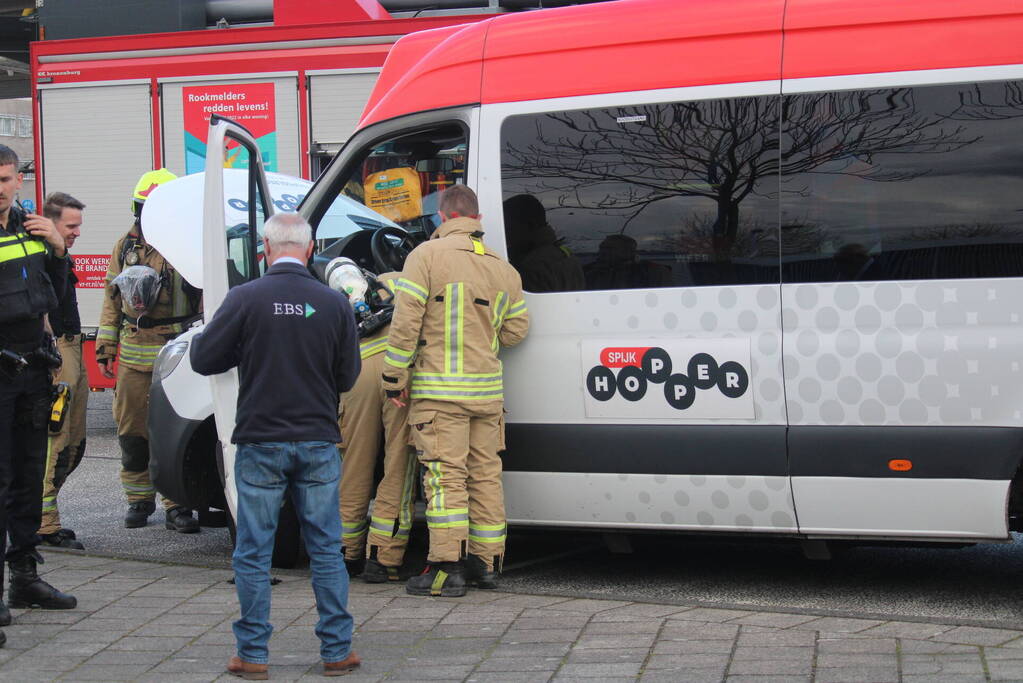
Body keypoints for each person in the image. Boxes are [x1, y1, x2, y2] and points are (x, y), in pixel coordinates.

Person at [190, 213, 362, 679]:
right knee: (326, 548)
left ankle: (252, 654)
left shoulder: (245, 299)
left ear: (265, 249)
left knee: (253, 550)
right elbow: (348, 377)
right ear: (309, 250)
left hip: (261, 441)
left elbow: (206, 358)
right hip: (318, 440)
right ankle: (337, 651)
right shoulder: (334, 303)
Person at [383, 184, 530, 597]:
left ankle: (447, 568)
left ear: (443, 218)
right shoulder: (505, 269)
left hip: (439, 395)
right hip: (487, 397)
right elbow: (517, 331)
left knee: (444, 479)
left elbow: (406, 322)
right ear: (477, 220)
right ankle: (486, 564)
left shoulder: (425, 257)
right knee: (485, 478)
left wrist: (395, 378)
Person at [0, 145, 78, 648]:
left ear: (19, 180)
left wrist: (58, 250)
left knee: (29, 478)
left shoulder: (31, 228)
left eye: (6, 178)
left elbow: (62, 308)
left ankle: (24, 577)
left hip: (32, 370)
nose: (0, 188)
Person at [96, 169, 201, 533]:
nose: (147, 214)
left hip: (177, 350)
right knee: (132, 432)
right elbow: (111, 299)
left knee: (174, 431)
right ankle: (139, 501)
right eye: (143, 207)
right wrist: (106, 346)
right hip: (133, 352)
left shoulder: (190, 242)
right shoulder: (125, 246)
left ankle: (178, 506)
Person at [334, 270, 417, 584]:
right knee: (399, 465)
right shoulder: (419, 280)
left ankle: (345, 551)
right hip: (399, 373)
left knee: (354, 463)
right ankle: (382, 558)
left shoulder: (366, 283)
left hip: (358, 371)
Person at [37, 192, 88, 551]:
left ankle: (43, 516)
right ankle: (43, 525)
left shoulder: (58, 255)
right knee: (54, 440)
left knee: (75, 442)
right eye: (71, 226)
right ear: (51, 224)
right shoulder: (38, 256)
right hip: (57, 354)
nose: (76, 233)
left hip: (74, 348)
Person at [503, 194, 585, 293]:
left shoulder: (533, 264)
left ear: (530, 225)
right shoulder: (564, 255)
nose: (506, 233)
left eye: (509, 227)